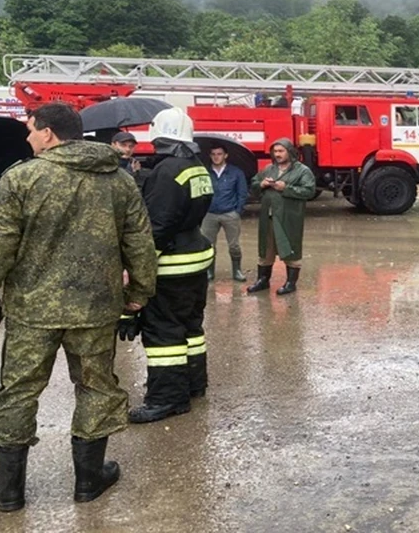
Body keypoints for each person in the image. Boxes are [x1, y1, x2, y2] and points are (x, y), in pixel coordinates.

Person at [0, 102, 157, 511]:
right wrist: (141, 292)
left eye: (30, 129)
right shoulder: (118, 179)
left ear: (48, 133)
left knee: (18, 392)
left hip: (32, 311)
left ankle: (9, 491)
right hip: (95, 308)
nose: (27, 137)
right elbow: (139, 242)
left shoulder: (22, 178)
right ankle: (89, 481)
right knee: (96, 387)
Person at [130, 108, 215, 424]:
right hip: (195, 259)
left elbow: (158, 226)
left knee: (164, 334)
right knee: (190, 328)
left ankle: (167, 399)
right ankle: (193, 383)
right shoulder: (196, 166)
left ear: (158, 135)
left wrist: (140, 271)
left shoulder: (167, 171)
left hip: (172, 265)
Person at [247, 139, 316, 295]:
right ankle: (263, 281)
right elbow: (254, 185)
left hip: (290, 217)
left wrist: (286, 188)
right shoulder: (268, 169)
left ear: (290, 152)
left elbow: (309, 191)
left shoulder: (302, 171)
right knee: (266, 249)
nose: (277, 154)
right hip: (268, 216)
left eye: (281, 151)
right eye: (275, 151)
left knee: (291, 247)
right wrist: (262, 184)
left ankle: (291, 283)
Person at [201, 144, 249, 282]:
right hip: (210, 214)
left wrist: (237, 211)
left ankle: (237, 270)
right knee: (208, 245)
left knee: (234, 245)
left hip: (230, 213)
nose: (216, 157)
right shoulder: (205, 172)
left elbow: (242, 193)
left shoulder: (236, 172)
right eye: (213, 154)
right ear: (210, 156)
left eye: (219, 154)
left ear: (225, 155)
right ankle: (209, 272)